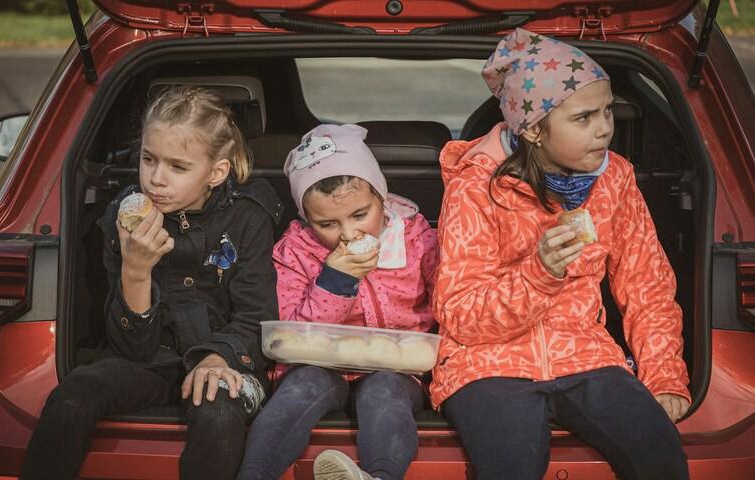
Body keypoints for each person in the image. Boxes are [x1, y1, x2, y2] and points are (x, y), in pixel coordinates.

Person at [430, 28, 691, 480]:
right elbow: (460, 314)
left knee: (661, 456)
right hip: (487, 364)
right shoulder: (475, 188)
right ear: (533, 129)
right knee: (509, 468)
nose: (604, 128)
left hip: (587, 356)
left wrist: (664, 373)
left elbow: (646, 284)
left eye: (608, 110)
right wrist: (538, 274)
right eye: (583, 118)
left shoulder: (615, 180)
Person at [21, 86, 282, 480]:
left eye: (178, 167)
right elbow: (133, 349)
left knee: (217, 413)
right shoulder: (122, 216)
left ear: (216, 173)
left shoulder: (249, 217)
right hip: (149, 361)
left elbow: (257, 317)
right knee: (75, 393)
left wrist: (218, 358)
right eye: (148, 159)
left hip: (224, 362)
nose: (156, 179)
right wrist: (136, 270)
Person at [238, 124, 439, 480]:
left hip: (398, 368)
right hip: (317, 365)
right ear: (306, 217)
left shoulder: (415, 237)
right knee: (299, 390)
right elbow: (291, 334)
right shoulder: (295, 251)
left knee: (385, 394)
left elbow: (448, 301)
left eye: (360, 215)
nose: (348, 233)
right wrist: (335, 281)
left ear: (382, 198)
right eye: (327, 223)